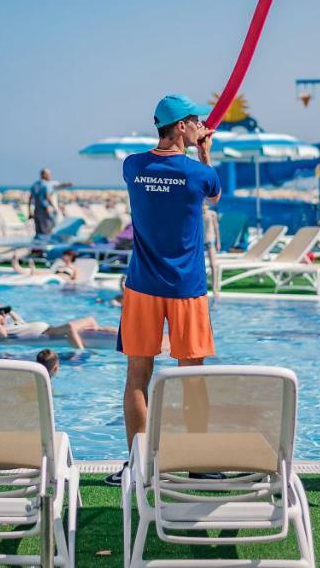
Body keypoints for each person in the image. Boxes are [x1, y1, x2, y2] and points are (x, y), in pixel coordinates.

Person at [110, 94, 220, 486]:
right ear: (181, 127)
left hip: (142, 286)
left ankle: (137, 463)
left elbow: (155, 175)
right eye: (195, 121)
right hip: (186, 288)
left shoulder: (132, 166)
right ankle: (197, 461)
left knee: (137, 376)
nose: (200, 126)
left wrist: (194, 147)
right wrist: (205, 153)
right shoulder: (198, 175)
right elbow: (214, 192)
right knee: (191, 377)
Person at [0, 303, 116, 351]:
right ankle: (81, 351)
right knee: (71, 327)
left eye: (3, 313)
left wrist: (8, 311)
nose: (3, 315)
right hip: (48, 333)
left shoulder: (12, 324)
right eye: (0, 313)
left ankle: (122, 333)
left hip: (50, 328)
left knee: (93, 323)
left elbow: (19, 319)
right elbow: (3, 337)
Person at [9, 248, 81, 282]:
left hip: (61, 280)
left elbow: (76, 280)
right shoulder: (60, 266)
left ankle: (32, 270)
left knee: (37, 273)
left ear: (70, 257)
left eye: (65, 255)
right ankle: (16, 264)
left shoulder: (74, 268)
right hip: (54, 276)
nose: (63, 256)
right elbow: (52, 272)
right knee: (35, 272)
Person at [28, 168, 59, 238]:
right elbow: (48, 197)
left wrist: (29, 212)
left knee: (38, 232)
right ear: (44, 175)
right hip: (45, 210)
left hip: (36, 211)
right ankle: (45, 248)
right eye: (49, 174)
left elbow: (30, 199)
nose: (50, 176)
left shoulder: (35, 185)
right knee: (47, 232)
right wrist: (54, 207)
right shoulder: (46, 185)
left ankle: (37, 247)